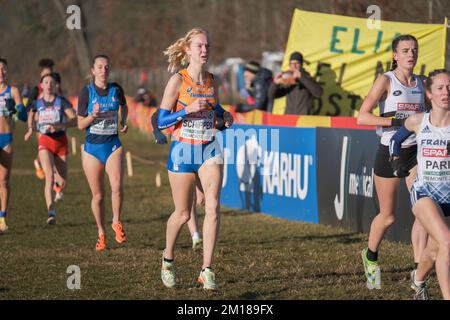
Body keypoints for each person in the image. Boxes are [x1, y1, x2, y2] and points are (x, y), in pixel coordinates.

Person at [157, 28, 233, 290]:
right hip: (182, 151)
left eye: (207, 46)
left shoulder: (213, 80)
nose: (204, 50)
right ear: (188, 50)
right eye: (199, 46)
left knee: (212, 206)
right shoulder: (178, 81)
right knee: (182, 213)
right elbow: (160, 120)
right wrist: (186, 110)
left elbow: (216, 109)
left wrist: (225, 117)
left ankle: (207, 269)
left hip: (209, 149)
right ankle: (168, 259)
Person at [357, 34, 428, 289]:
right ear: (395, 55)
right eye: (405, 50)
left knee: (424, 210)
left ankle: (419, 272)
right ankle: (370, 257)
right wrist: (399, 123)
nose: (411, 54)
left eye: (414, 50)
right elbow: (362, 117)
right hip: (390, 151)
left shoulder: (421, 82)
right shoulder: (386, 80)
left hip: (416, 152)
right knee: (388, 216)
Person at [389, 69, 450, 300]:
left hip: (449, 196)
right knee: (447, 241)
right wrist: (396, 161)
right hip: (424, 192)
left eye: (449, 88)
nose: (446, 92)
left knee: (435, 250)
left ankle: (418, 279)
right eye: (440, 88)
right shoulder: (418, 121)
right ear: (429, 94)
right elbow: (396, 140)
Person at [151, 108, 228, 250]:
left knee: (202, 200)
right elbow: (156, 116)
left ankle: (196, 236)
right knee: (187, 201)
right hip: (183, 153)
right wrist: (157, 132)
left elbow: (219, 118)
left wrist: (225, 121)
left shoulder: (207, 94)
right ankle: (195, 236)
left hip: (204, 152)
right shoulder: (181, 92)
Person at [77, 54, 128, 251]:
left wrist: (124, 122)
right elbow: (80, 125)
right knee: (98, 196)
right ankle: (101, 233)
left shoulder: (116, 89)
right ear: (93, 70)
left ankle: (116, 221)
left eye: (106, 67)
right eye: (99, 67)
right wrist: (92, 115)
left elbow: (124, 106)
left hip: (113, 144)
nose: (103, 70)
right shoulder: (86, 92)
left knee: (116, 186)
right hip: (92, 149)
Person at [24, 73, 76, 225]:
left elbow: (75, 120)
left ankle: (58, 188)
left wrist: (60, 125)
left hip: (60, 141)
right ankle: (51, 212)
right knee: (49, 177)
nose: (49, 85)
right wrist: (29, 129)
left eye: (52, 82)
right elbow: (31, 115)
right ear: (42, 85)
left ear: (56, 85)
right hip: (45, 141)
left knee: (62, 179)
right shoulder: (37, 103)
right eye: (46, 82)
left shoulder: (62, 101)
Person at [0, 58, 27, 233]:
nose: (1, 72)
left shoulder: (13, 90)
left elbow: (23, 117)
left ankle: (2, 218)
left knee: (3, 180)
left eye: (3, 69)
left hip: (6, 138)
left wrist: (18, 109)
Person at [26, 58, 56, 180]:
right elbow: (28, 107)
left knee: (53, 149)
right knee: (46, 147)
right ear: (41, 75)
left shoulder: (55, 87)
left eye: (50, 74)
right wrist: (35, 116)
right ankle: (50, 177)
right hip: (41, 124)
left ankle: (40, 163)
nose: (48, 78)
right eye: (45, 74)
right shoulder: (36, 90)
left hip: (55, 123)